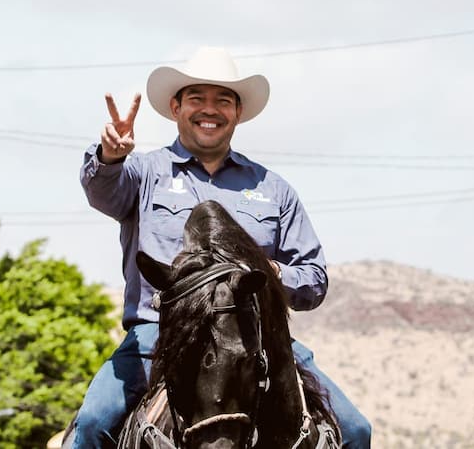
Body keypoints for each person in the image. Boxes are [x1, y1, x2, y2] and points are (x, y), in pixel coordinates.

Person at [77, 47, 371, 448]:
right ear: (176, 107)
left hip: (259, 338)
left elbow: (314, 279)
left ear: (237, 113)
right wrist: (111, 157)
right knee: (93, 423)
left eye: (223, 100)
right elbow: (102, 192)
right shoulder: (144, 173)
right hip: (159, 335)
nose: (209, 110)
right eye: (197, 98)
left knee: (355, 432)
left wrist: (272, 273)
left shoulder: (273, 189)